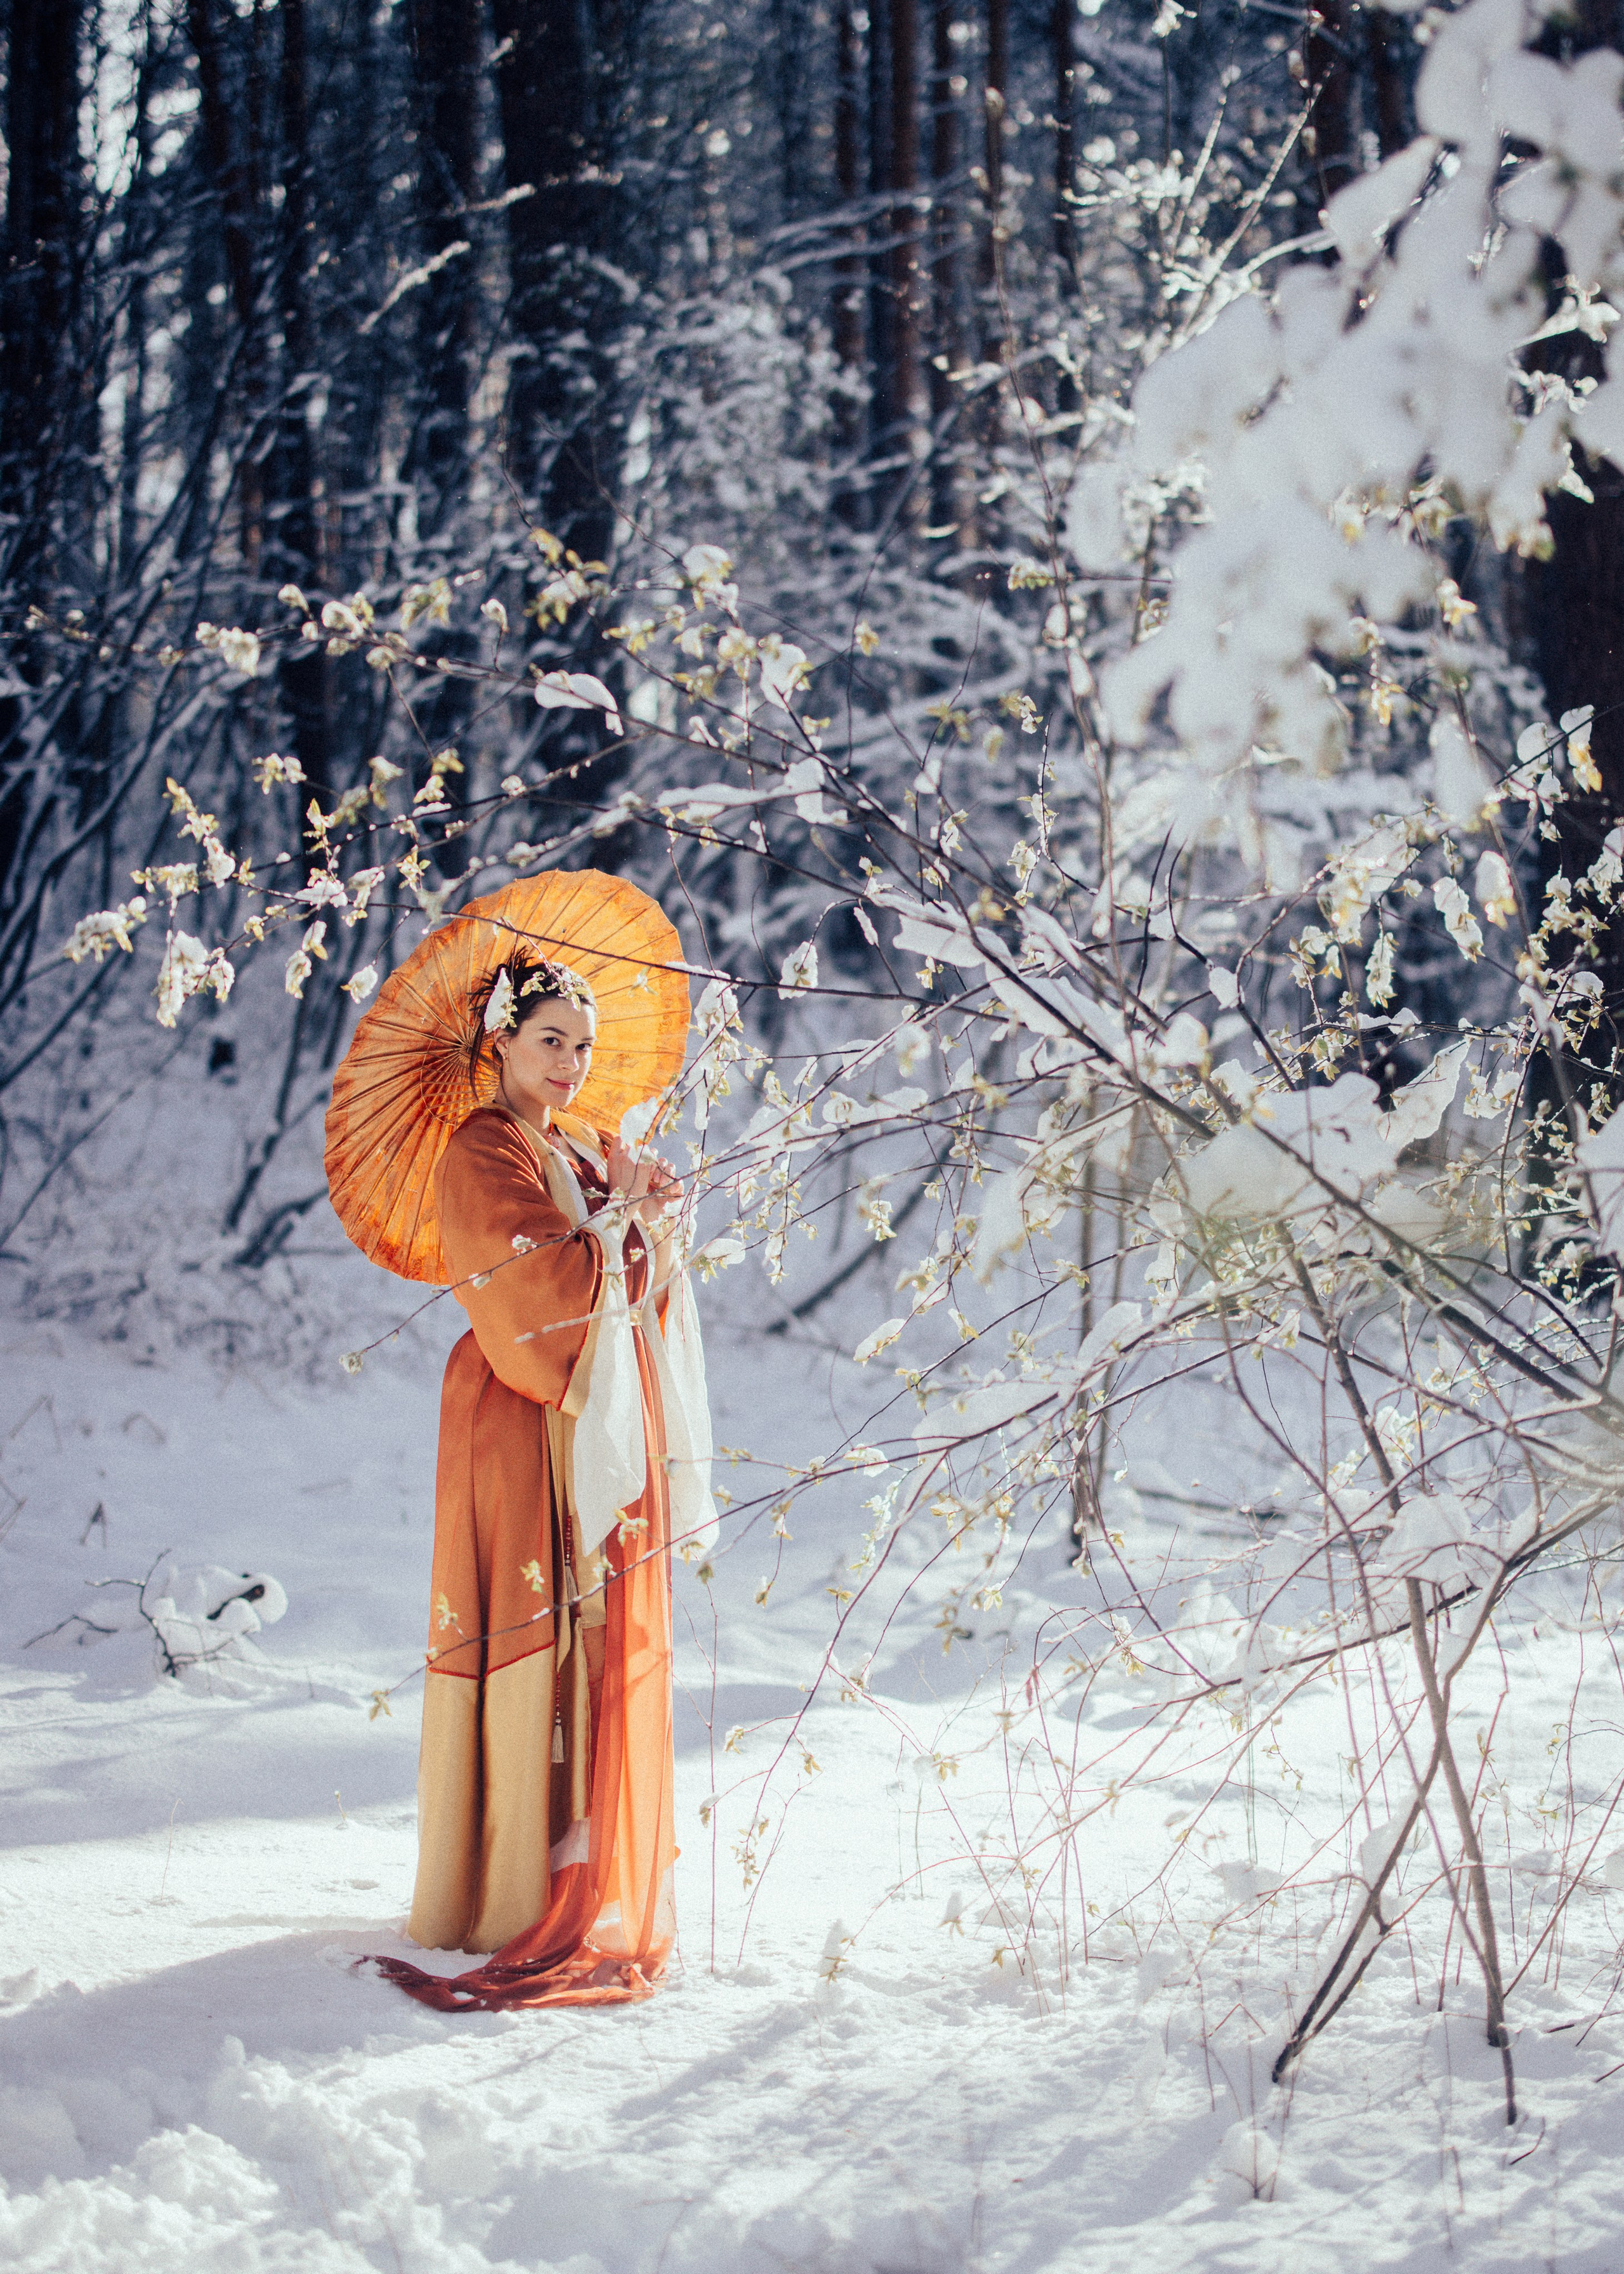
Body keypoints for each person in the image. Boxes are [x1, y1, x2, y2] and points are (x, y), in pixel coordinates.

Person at [374, 953, 689, 2011]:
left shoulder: (574, 1148)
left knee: (581, 1628)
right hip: (516, 1416)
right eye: (549, 1039)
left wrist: (641, 1212)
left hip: (574, 1419)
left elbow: (625, 1266)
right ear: (499, 1042)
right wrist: (617, 1230)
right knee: (525, 1620)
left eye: (583, 1046)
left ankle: (569, 1860)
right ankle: (502, 1891)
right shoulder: (484, 1146)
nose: (570, 1061)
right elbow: (537, 1293)